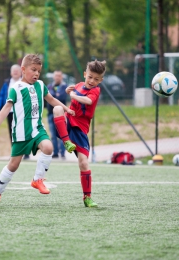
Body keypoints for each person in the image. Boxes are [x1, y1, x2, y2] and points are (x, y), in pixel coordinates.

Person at [0, 54, 76, 207]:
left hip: (37, 128)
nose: (36, 74)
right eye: (33, 70)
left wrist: (67, 109)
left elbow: (52, 100)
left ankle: (37, 179)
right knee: (13, 165)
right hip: (21, 132)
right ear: (23, 69)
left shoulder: (40, 85)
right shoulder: (16, 88)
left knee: (48, 147)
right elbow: (6, 108)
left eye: (39, 71)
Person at [53, 59, 106, 208]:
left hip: (80, 129)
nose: (92, 81)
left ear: (100, 80)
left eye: (96, 79)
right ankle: (66, 141)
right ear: (85, 74)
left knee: (83, 163)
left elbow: (88, 101)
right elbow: (72, 94)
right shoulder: (77, 86)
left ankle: (87, 197)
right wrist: (68, 91)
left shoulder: (95, 90)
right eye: (90, 77)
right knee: (57, 109)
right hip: (68, 121)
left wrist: (73, 95)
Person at [0, 65, 30, 159]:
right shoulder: (7, 83)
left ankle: (26, 153)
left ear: (21, 72)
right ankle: (15, 152)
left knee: (24, 131)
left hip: (22, 111)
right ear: (11, 73)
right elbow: (2, 96)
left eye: (17, 71)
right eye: (13, 71)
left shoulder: (25, 82)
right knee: (12, 132)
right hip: (10, 112)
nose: (15, 72)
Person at [47, 71, 67, 159]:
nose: (57, 77)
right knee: (53, 134)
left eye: (59, 76)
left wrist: (53, 97)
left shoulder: (64, 87)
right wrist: (54, 96)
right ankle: (55, 152)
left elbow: (62, 97)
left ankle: (62, 152)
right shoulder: (49, 86)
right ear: (53, 77)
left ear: (61, 77)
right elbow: (48, 98)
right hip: (51, 114)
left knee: (62, 133)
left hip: (61, 115)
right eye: (56, 76)